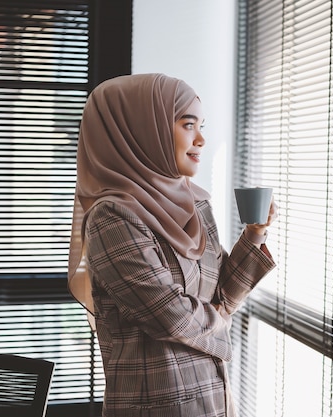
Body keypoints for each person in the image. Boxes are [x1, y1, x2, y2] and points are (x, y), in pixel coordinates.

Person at [67, 73, 277, 417]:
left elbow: (221, 296)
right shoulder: (111, 217)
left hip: (215, 401)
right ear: (142, 130)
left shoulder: (196, 205)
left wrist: (255, 233)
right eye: (188, 124)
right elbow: (171, 318)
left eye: (201, 125)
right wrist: (220, 320)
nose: (202, 139)